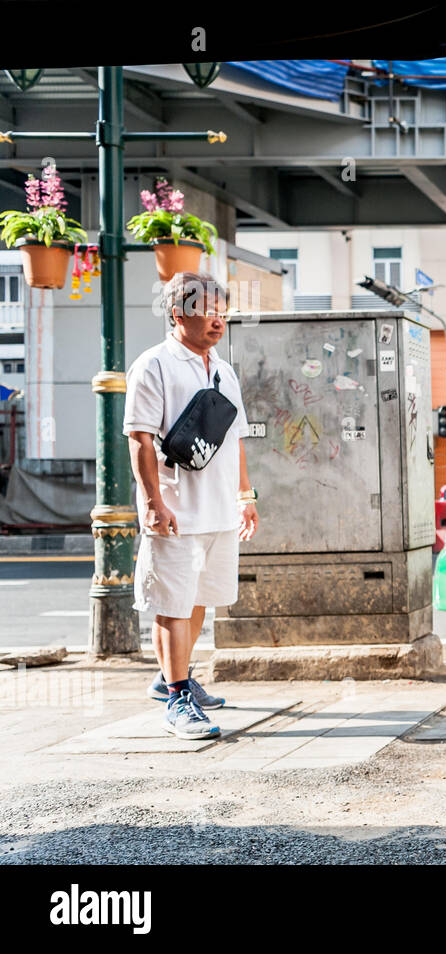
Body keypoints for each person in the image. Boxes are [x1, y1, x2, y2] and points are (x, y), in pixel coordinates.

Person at [123, 272, 258, 740]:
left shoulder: (222, 368)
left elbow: (234, 435)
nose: (219, 319)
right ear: (178, 312)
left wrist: (246, 496)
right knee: (172, 603)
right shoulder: (153, 365)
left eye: (223, 310)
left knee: (199, 597)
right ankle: (178, 699)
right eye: (208, 309)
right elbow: (140, 438)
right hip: (176, 508)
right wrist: (153, 502)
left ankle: (170, 678)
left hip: (220, 508)